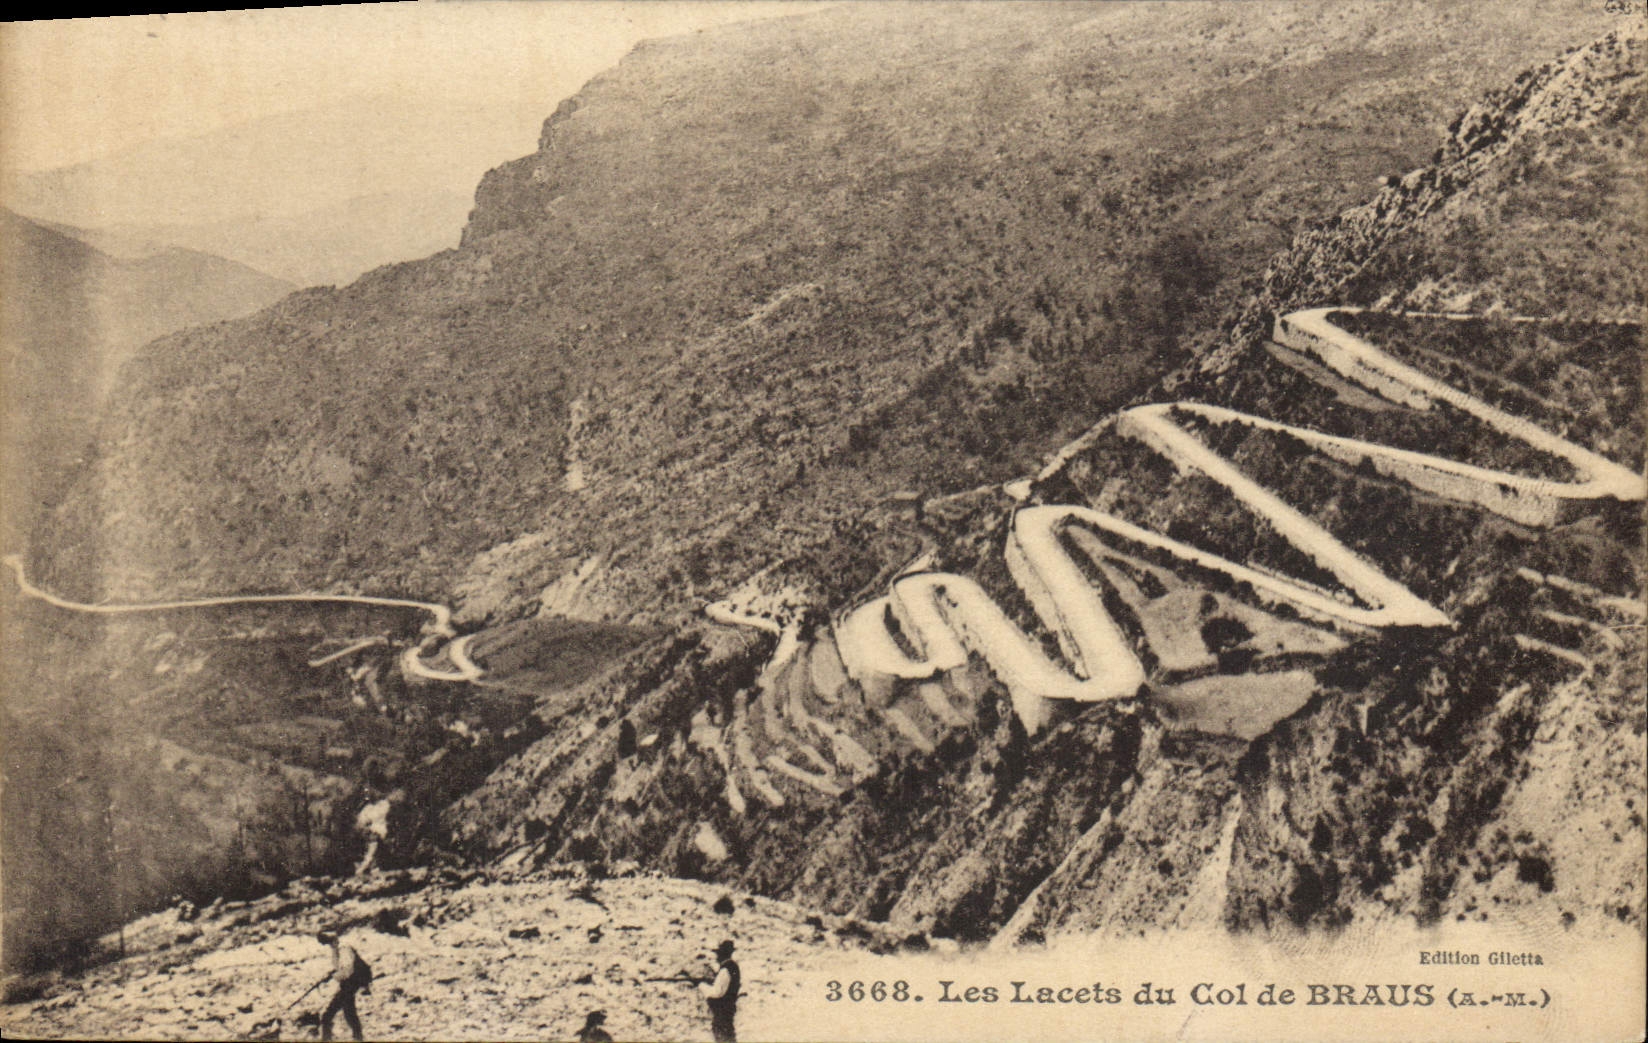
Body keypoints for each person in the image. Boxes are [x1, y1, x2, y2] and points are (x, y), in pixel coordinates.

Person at [315, 930, 369, 1042]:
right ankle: (358, 1038)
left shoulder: (344, 948)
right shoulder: (337, 949)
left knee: (327, 1016)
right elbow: (338, 967)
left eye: (329, 942)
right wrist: (332, 974)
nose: (329, 945)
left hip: (352, 982)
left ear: (334, 939)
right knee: (350, 1013)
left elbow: (348, 970)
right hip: (349, 983)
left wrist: (335, 976)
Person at [698, 939, 741, 1043]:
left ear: (722, 955)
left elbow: (717, 992)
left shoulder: (725, 970)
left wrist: (701, 985)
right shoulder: (733, 967)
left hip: (722, 1015)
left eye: (718, 954)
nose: (717, 957)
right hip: (728, 1013)